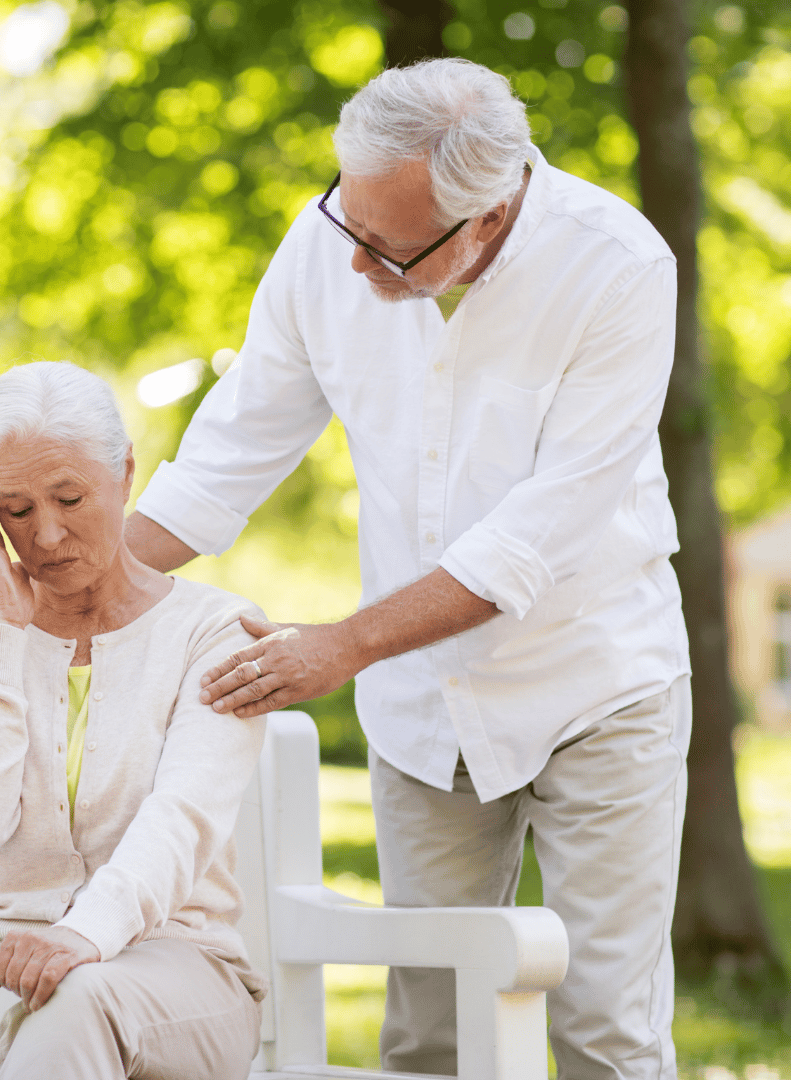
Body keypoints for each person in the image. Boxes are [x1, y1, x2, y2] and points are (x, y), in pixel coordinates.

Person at [124, 58, 691, 1080]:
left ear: (486, 216)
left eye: (386, 244)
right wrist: (74, 581)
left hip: (596, 684)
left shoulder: (618, 268)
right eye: (346, 219)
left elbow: (540, 532)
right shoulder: (327, 242)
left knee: (604, 1028)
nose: (352, 260)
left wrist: (342, 646)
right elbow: (227, 455)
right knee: (431, 1036)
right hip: (423, 706)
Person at [0, 360, 266, 1080]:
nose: (44, 535)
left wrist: (80, 936)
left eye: (70, 497)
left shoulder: (213, 633)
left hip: (176, 964)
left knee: (76, 1003)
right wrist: (4, 633)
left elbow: (182, 819)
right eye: (15, 508)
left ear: (126, 473)